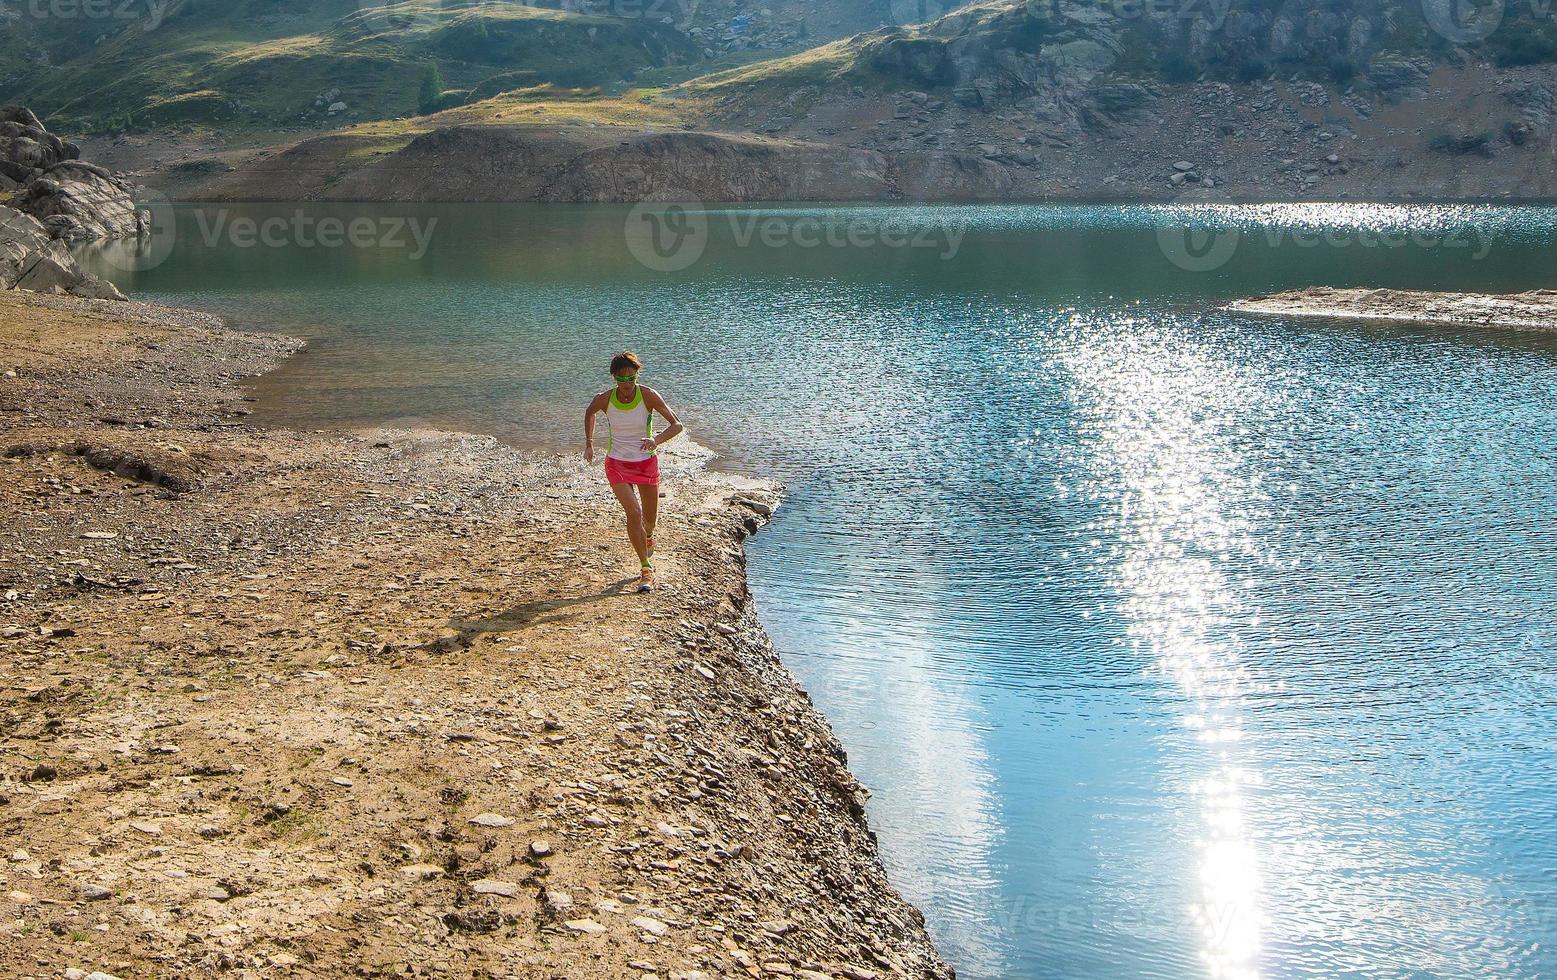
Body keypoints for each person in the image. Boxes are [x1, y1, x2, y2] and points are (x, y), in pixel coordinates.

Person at [583, 351, 683, 592]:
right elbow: (589, 413)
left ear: (637, 375)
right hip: (616, 463)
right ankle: (646, 569)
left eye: (631, 379)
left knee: (649, 521)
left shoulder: (648, 396)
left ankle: (648, 535)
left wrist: (656, 440)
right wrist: (589, 443)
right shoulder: (604, 399)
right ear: (614, 378)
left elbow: (676, 425)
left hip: (645, 463)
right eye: (621, 379)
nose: (626, 385)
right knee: (634, 512)